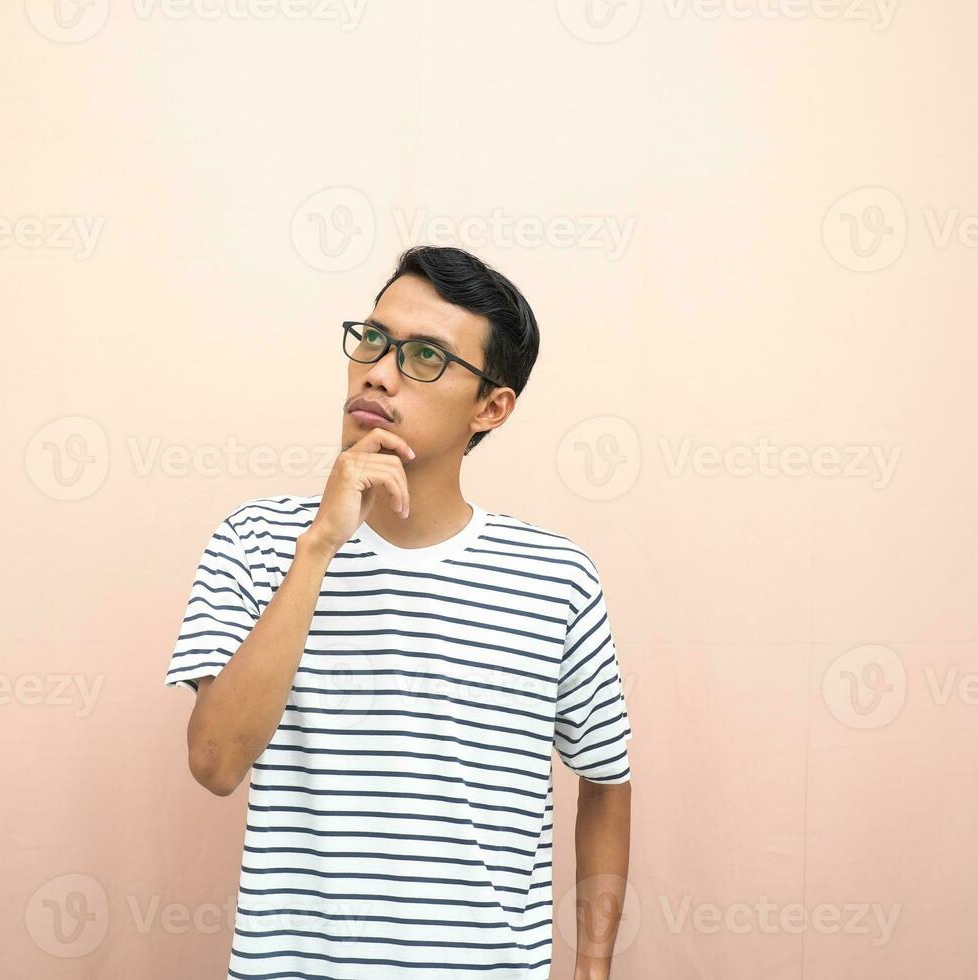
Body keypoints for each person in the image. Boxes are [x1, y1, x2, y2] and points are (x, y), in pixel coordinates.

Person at [165, 245, 634, 979]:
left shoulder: (556, 578)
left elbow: (605, 783)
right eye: (375, 340)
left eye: (424, 357)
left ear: (492, 406)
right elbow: (215, 763)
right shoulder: (255, 542)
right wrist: (320, 543)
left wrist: (594, 969)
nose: (379, 371)